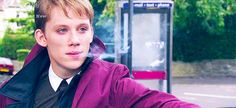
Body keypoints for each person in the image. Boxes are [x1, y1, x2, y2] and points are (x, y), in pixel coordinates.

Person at [0, 0, 200, 107]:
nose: (75, 40)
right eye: (62, 30)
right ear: (42, 37)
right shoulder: (11, 91)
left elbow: (159, 104)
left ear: (91, 33)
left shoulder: (111, 82)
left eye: (82, 29)